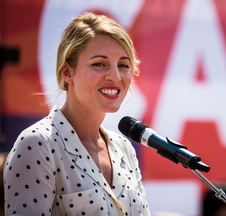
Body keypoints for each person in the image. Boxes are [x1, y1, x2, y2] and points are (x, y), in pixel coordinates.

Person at [3, 12, 151, 216]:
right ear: (67, 73)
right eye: (99, 64)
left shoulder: (124, 148)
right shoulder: (38, 143)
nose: (115, 76)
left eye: (123, 65)